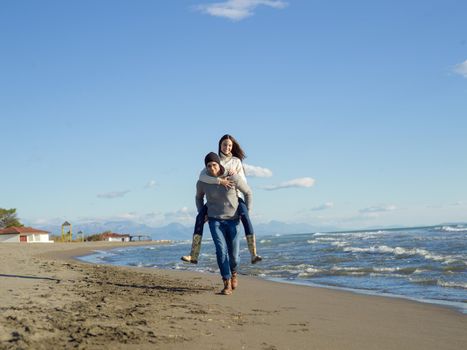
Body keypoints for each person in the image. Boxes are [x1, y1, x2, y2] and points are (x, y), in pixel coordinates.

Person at [181, 134, 262, 264]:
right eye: (225, 144)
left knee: (246, 217)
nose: (227, 147)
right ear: (220, 145)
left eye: (230, 145)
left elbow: (244, 182)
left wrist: (236, 176)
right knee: (199, 218)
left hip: (235, 197)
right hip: (215, 200)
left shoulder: (236, 161)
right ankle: (194, 255)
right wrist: (219, 181)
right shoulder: (215, 159)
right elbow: (202, 177)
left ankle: (253, 254)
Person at [195, 152, 252, 295]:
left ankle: (233, 273)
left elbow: (248, 192)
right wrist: (203, 212)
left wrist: (246, 213)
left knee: (234, 255)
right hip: (215, 220)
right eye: (208, 166)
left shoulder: (232, 176)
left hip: (233, 220)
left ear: (219, 164)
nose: (212, 168)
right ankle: (226, 282)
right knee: (221, 251)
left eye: (214, 165)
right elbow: (198, 197)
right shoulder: (203, 182)